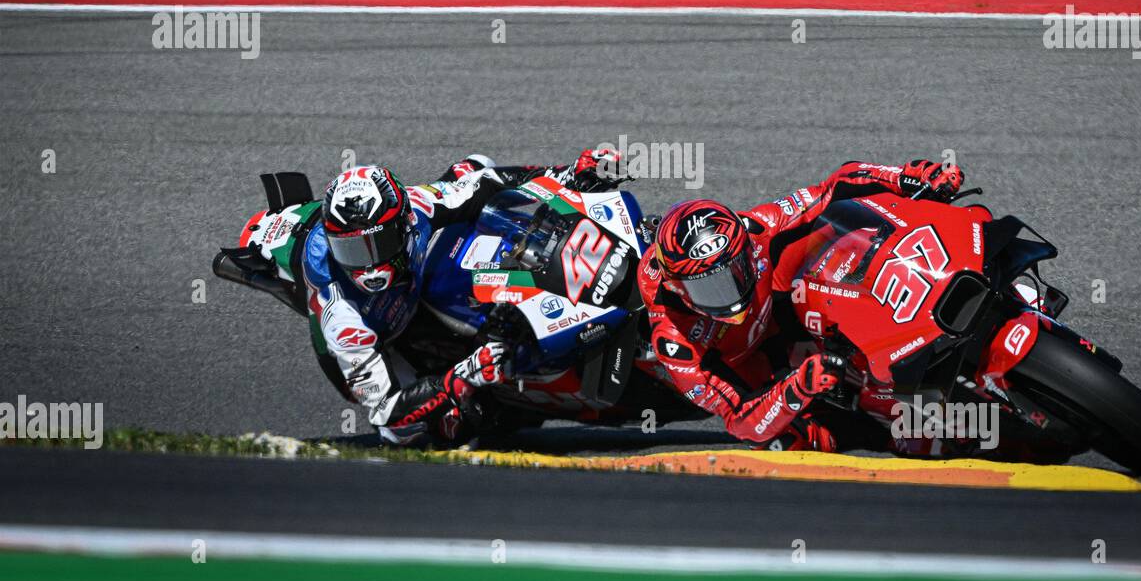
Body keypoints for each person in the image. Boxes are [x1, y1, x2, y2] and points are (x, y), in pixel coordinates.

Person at [636, 158, 964, 451]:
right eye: (709, 288)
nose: (729, 295)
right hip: (756, 373)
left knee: (834, 229)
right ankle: (886, 436)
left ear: (745, 248)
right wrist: (797, 387)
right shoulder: (675, 342)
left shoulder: (757, 227)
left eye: (735, 272)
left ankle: (913, 294)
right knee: (777, 440)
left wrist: (908, 176)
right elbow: (740, 422)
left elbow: (834, 186)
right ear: (677, 288)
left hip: (785, 312)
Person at [305, 149, 619, 445]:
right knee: (450, 427)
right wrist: (461, 376)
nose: (369, 268)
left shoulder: (417, 206)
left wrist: (568, 175)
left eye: (378, 243)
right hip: (384, 338)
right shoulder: (342, 319)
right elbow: (388, 419)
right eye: (352, 250)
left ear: (404, 224)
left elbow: (484, 182)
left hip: (411, 289)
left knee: (473, 166)